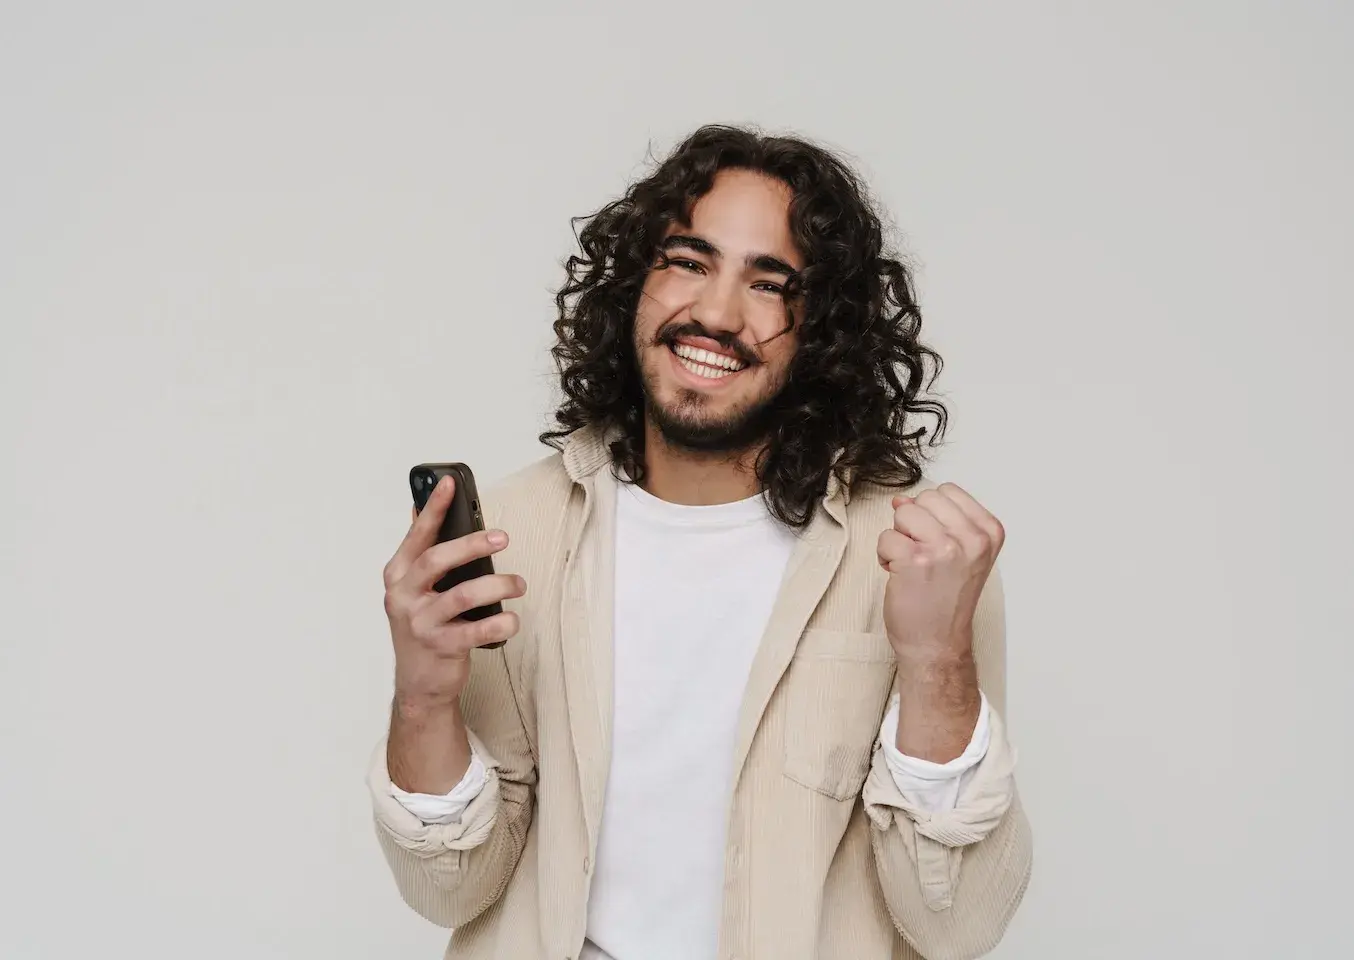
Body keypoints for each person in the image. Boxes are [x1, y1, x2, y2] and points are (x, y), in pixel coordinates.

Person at [369, 125, 1031, 960]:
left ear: (823, 329)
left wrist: (939, 667)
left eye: (770, 283)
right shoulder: (515, 536)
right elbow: (450, 888)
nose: (715, 315)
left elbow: (958, 923)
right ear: (634, 285)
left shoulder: (914, 557)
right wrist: (422, 699)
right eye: (688, 261)